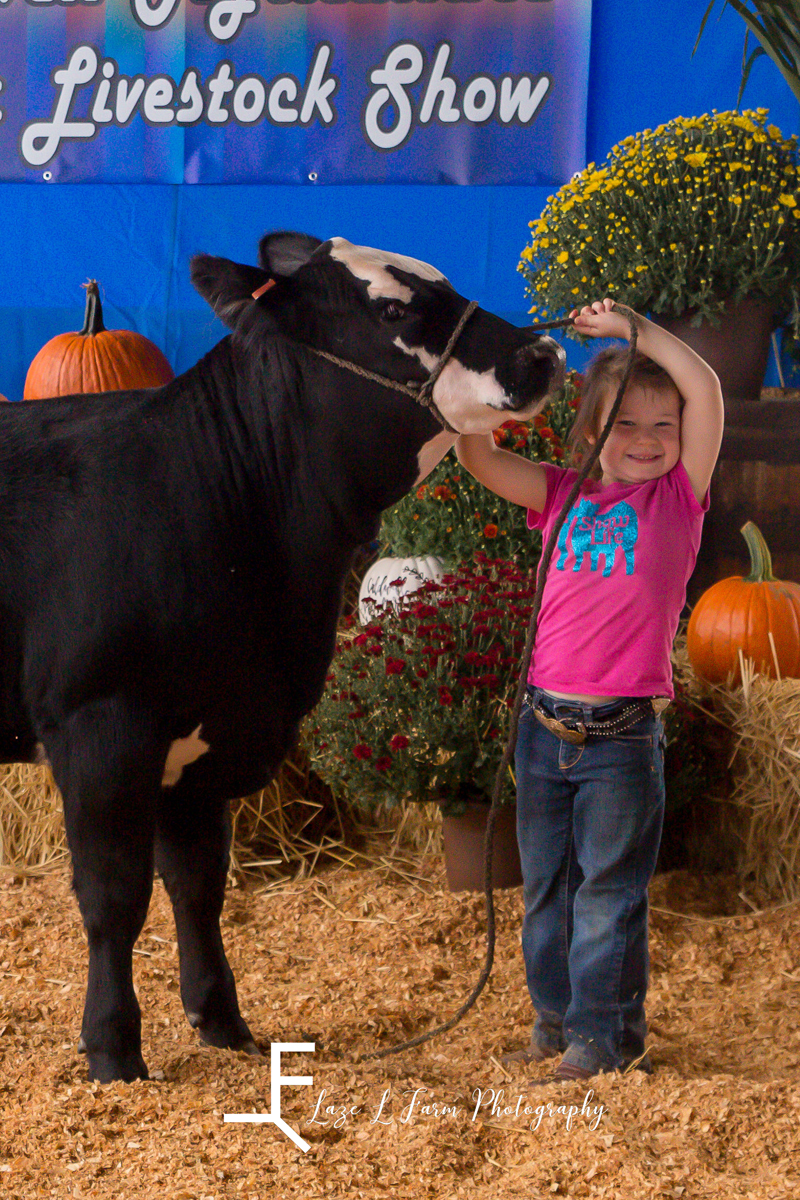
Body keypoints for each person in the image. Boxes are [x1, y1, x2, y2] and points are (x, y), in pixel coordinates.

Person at [456, 299, 724, 1082]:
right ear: (589, 435)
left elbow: (703, 387)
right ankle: (555, 1024)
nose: (644, 442)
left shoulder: (679, 500)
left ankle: (603, 1041)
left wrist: (636, 333)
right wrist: (486, 374)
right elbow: (478, 457)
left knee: (608, 896)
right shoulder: (560, 495)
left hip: (621, 741)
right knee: (546, 892)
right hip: (542, 731)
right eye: (623, 426)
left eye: (661, 428)